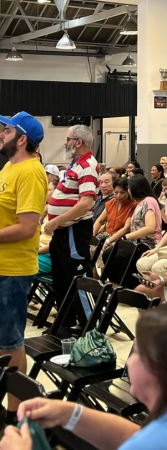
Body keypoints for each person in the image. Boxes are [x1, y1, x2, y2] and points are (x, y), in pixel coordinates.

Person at [0, 305, 167, 449]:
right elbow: (136, 436)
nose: (128, 361)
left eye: (137, 352)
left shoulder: (163, 442)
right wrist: (70, 413)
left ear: (158, 368)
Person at [0, 112, 47, 425]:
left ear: (21, 139)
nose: (1, 133)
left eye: (6, 130)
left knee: (10, 341)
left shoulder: (31, 172)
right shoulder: (10, 166)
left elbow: (28, 227)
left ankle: (16, 412)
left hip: (13, 271)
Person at [46, 125, 100, 327]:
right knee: (61, 280)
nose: (65, 142)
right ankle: (65, 324)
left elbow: (86, 203)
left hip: (73, 232)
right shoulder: (75, 164)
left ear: (78, 142)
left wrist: (56, 221)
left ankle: (90, 328)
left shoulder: (87, 166)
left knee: (78, 278)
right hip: (61, 232)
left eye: (68, 138)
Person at [101, 175, 162, 288]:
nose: (128, 190)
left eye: (128, 188)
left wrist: (126, 237)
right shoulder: (139, 203)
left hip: (148, 244)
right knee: (108, 253)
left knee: (117, 255)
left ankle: (128, 285)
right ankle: (118, 284)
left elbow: (150, 227)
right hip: (136, 243)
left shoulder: (149, 201)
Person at [93, 178, 136, 243]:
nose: (118, 195)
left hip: (120, 239)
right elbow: (100, 221)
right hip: (106, 235)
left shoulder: (133, 205)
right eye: (116, 192)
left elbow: (126, 228)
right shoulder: (112, 202)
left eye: (122, 192)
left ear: (129, 192)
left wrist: (108, 241)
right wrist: (92, 236)